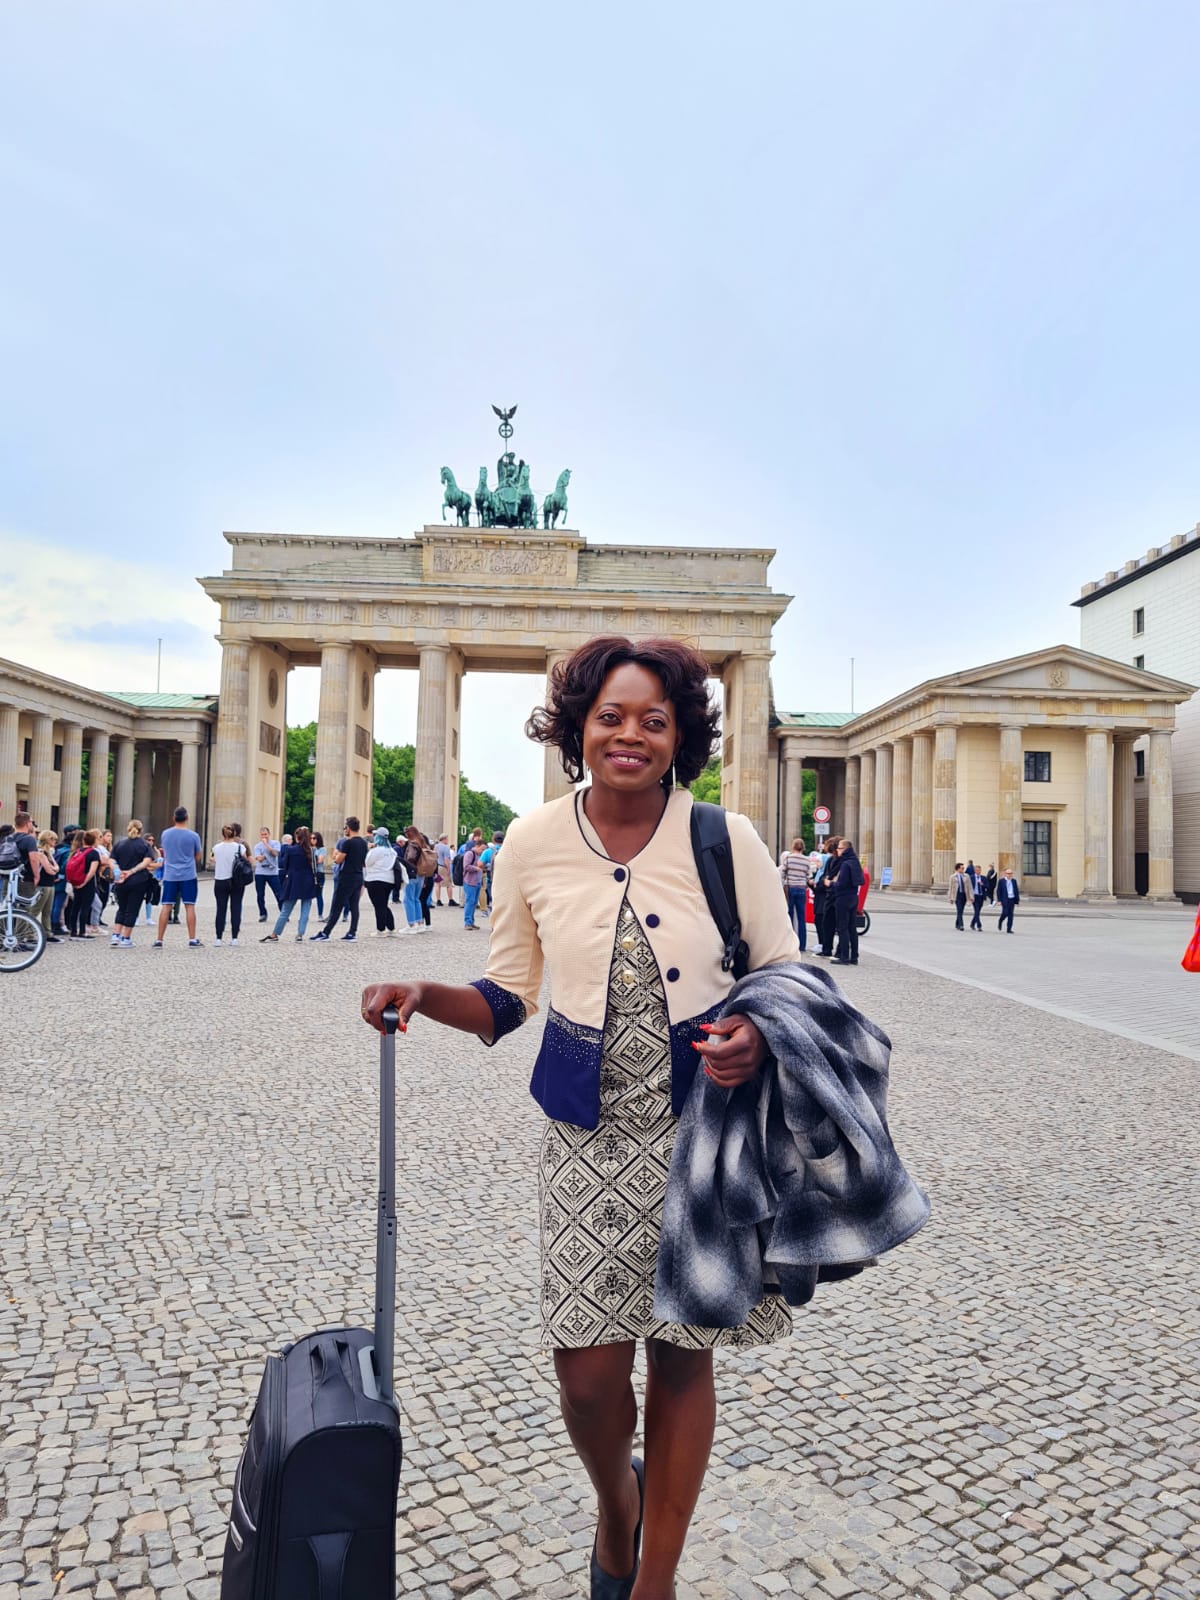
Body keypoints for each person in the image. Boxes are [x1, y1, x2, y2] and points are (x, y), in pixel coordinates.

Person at [361, 635, 803, 1600]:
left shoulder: (727, 838)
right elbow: (509, 992)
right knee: (589, 1379)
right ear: (578, 729)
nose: (631, 735)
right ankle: (617, 1503)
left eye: (654, 719)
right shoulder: (531, 840)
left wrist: (759, 1037)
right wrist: (426, 992)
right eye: (611, 717)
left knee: (683, 1365)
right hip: (587, 1142)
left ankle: (652, 1579)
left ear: (680, 734)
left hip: (706, 1139)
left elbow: (784, 976)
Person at [154, 806, 204, 947]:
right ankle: (192, 938)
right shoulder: (193, 836)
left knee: (166, 906)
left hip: (170, 874)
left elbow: (166, 852)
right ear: (187, 818)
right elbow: (198, 856)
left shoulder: (165, 834)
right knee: (189, 906)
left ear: (174, 818)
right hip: (188, 874)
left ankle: (159, 939)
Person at [311, 817, 366, 941]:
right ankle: (352, 932)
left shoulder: (348, 842)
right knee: (354, 905)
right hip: (358, 876)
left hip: (346, 876)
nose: (344, 830)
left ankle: (326, 932)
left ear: (348, 828)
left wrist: (336, 856)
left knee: (337, 905)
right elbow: (364, 862)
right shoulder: (363, 843)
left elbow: (338, 859)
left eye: (345, 827)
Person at [266, 825, 319, 941]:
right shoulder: (311, 850)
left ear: (297, 837)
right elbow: (315, 867)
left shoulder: (290, 849)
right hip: (308, 881)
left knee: (286, 910)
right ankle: (300, 934)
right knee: (305, 910)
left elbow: (284, 864)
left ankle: (275, 933)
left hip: (293, 880)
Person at [111, 820, 155, 946]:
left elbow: (111, 860)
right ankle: (126, 938)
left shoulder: (120, 844)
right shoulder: (144, 845)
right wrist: (132, 871)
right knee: (132, 909)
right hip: (138, 880)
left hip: (121, 880)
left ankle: (115, 935)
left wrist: (119, 872)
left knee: (122, 908)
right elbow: (147, 862)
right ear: (141, 830)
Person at [211, 822, 250, 946]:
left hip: (220, 879)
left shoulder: (216, 847)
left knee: (221, 909)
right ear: (234, 834)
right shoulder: (240, 848)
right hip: (236, 880)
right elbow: (245, 861)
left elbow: (212, 859)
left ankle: (218, 937)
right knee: (236, 907)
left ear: (223, 834)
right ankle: (234, 937)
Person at [830, 835, 863, 965]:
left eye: (839, 848)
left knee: (842, 928)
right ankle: (854, 956)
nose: (837, 851)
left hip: (843, 898)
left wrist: (830, 883)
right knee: (852, 927)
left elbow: (841, 883)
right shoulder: (855, 862)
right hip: (854, 897)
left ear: (844, 849)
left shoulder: (845, 864)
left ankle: (844, 956)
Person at [64, 829, 102, 938]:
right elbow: (92, 871)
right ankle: (82, 931)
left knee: (76, 907)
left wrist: (76, 882)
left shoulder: (77, 851)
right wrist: (84, 882)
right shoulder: (94, 853)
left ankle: (73, 931)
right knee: (85, 907)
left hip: (76, 881)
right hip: (87, 883)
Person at [778, 835, 810, 953]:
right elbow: (808, 875)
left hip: (790, 888)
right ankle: (802, 945)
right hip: (801, 889)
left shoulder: (789, 858)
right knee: (802, 917)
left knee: (790, 915)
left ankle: (791, 943)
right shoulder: (806, 860)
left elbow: (783, 872)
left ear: (793, 846)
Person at [364, 828, 399, 936]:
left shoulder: (376, 851)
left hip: (375, 879)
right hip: (389, 880)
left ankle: (380, 929)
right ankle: (391, 928)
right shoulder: (392, 851)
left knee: (378, 905)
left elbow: (367, 863)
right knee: (383, 904)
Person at [400, 826, 427, 932]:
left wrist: (405, 863)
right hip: (421, 873)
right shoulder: (422, 842)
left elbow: (411, 857)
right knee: (416, 899)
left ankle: (411, 925)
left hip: (412, 873)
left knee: (408, 899)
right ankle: (420, 923)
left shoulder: (412, 843)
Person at [252, 826, 282, 921]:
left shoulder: (275, 843)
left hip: (273, 873)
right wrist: (266, 856)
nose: (264, 836)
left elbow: (275, 854)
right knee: (260, 894)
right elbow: (259, 858)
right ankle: (263, 913)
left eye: (265, 834)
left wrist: (267, 847)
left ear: (269, 834)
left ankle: (283, 913)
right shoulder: (257, 846)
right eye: (262, 835)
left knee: (278, 893)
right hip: (260, 872)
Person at [460, 828, 484, 930]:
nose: (483, 851)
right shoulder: (470, 854)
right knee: (470, 902)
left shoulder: (479, 855)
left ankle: (471, 921)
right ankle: (467, 922)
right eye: (482, 849)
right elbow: (466, 866)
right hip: (469, 881)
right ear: (477, 846)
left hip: (477, 881)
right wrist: (477, 868)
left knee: (474, 902)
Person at [996, 868, 1020, 932]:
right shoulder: (1001, 881)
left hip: (1012, 899)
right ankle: (1000, 920)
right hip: (1005, 899)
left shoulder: (1014, 881)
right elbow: (998, 891)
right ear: (1005, 874)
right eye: (1008, 873)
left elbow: (1016, 891)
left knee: (1011, 915)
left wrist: (1017, 901)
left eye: (1010, 873)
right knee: (1005, 913)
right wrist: (999, 900)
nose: (1009, 875)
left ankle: (1009, 929)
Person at [949, 863, 971, 931]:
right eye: (962, 868)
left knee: (961, 910)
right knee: (959, 909)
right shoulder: (953, 877)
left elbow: (970, 887)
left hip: (964, 895)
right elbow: (951, 887)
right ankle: (961, 925)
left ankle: (957, 923)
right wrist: (950, 898)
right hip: (957, 895)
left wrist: (971, 897)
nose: (963, 869)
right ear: (958, 869)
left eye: (963, 868)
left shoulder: (966, 876)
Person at [435, 834, 455, 906]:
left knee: (437, 884)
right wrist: (448, 868)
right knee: (449, 883)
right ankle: (450, 899)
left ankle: (438, 900)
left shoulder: (436, 847)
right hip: (443, 867)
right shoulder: (446, 848)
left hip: (437, 867)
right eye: (447, 839)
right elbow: (446, 859)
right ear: (444, 839)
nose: (448, 840)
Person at [311, 832, 327, 918]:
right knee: (308, 894)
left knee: (319, 894)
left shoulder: (322, 849)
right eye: (311, 838)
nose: (312, 840)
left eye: (314, 838)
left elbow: (320, 860)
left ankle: (320, 914)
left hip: (319, 873)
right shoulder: (308, 848)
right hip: (310, 873)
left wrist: (312, 860)